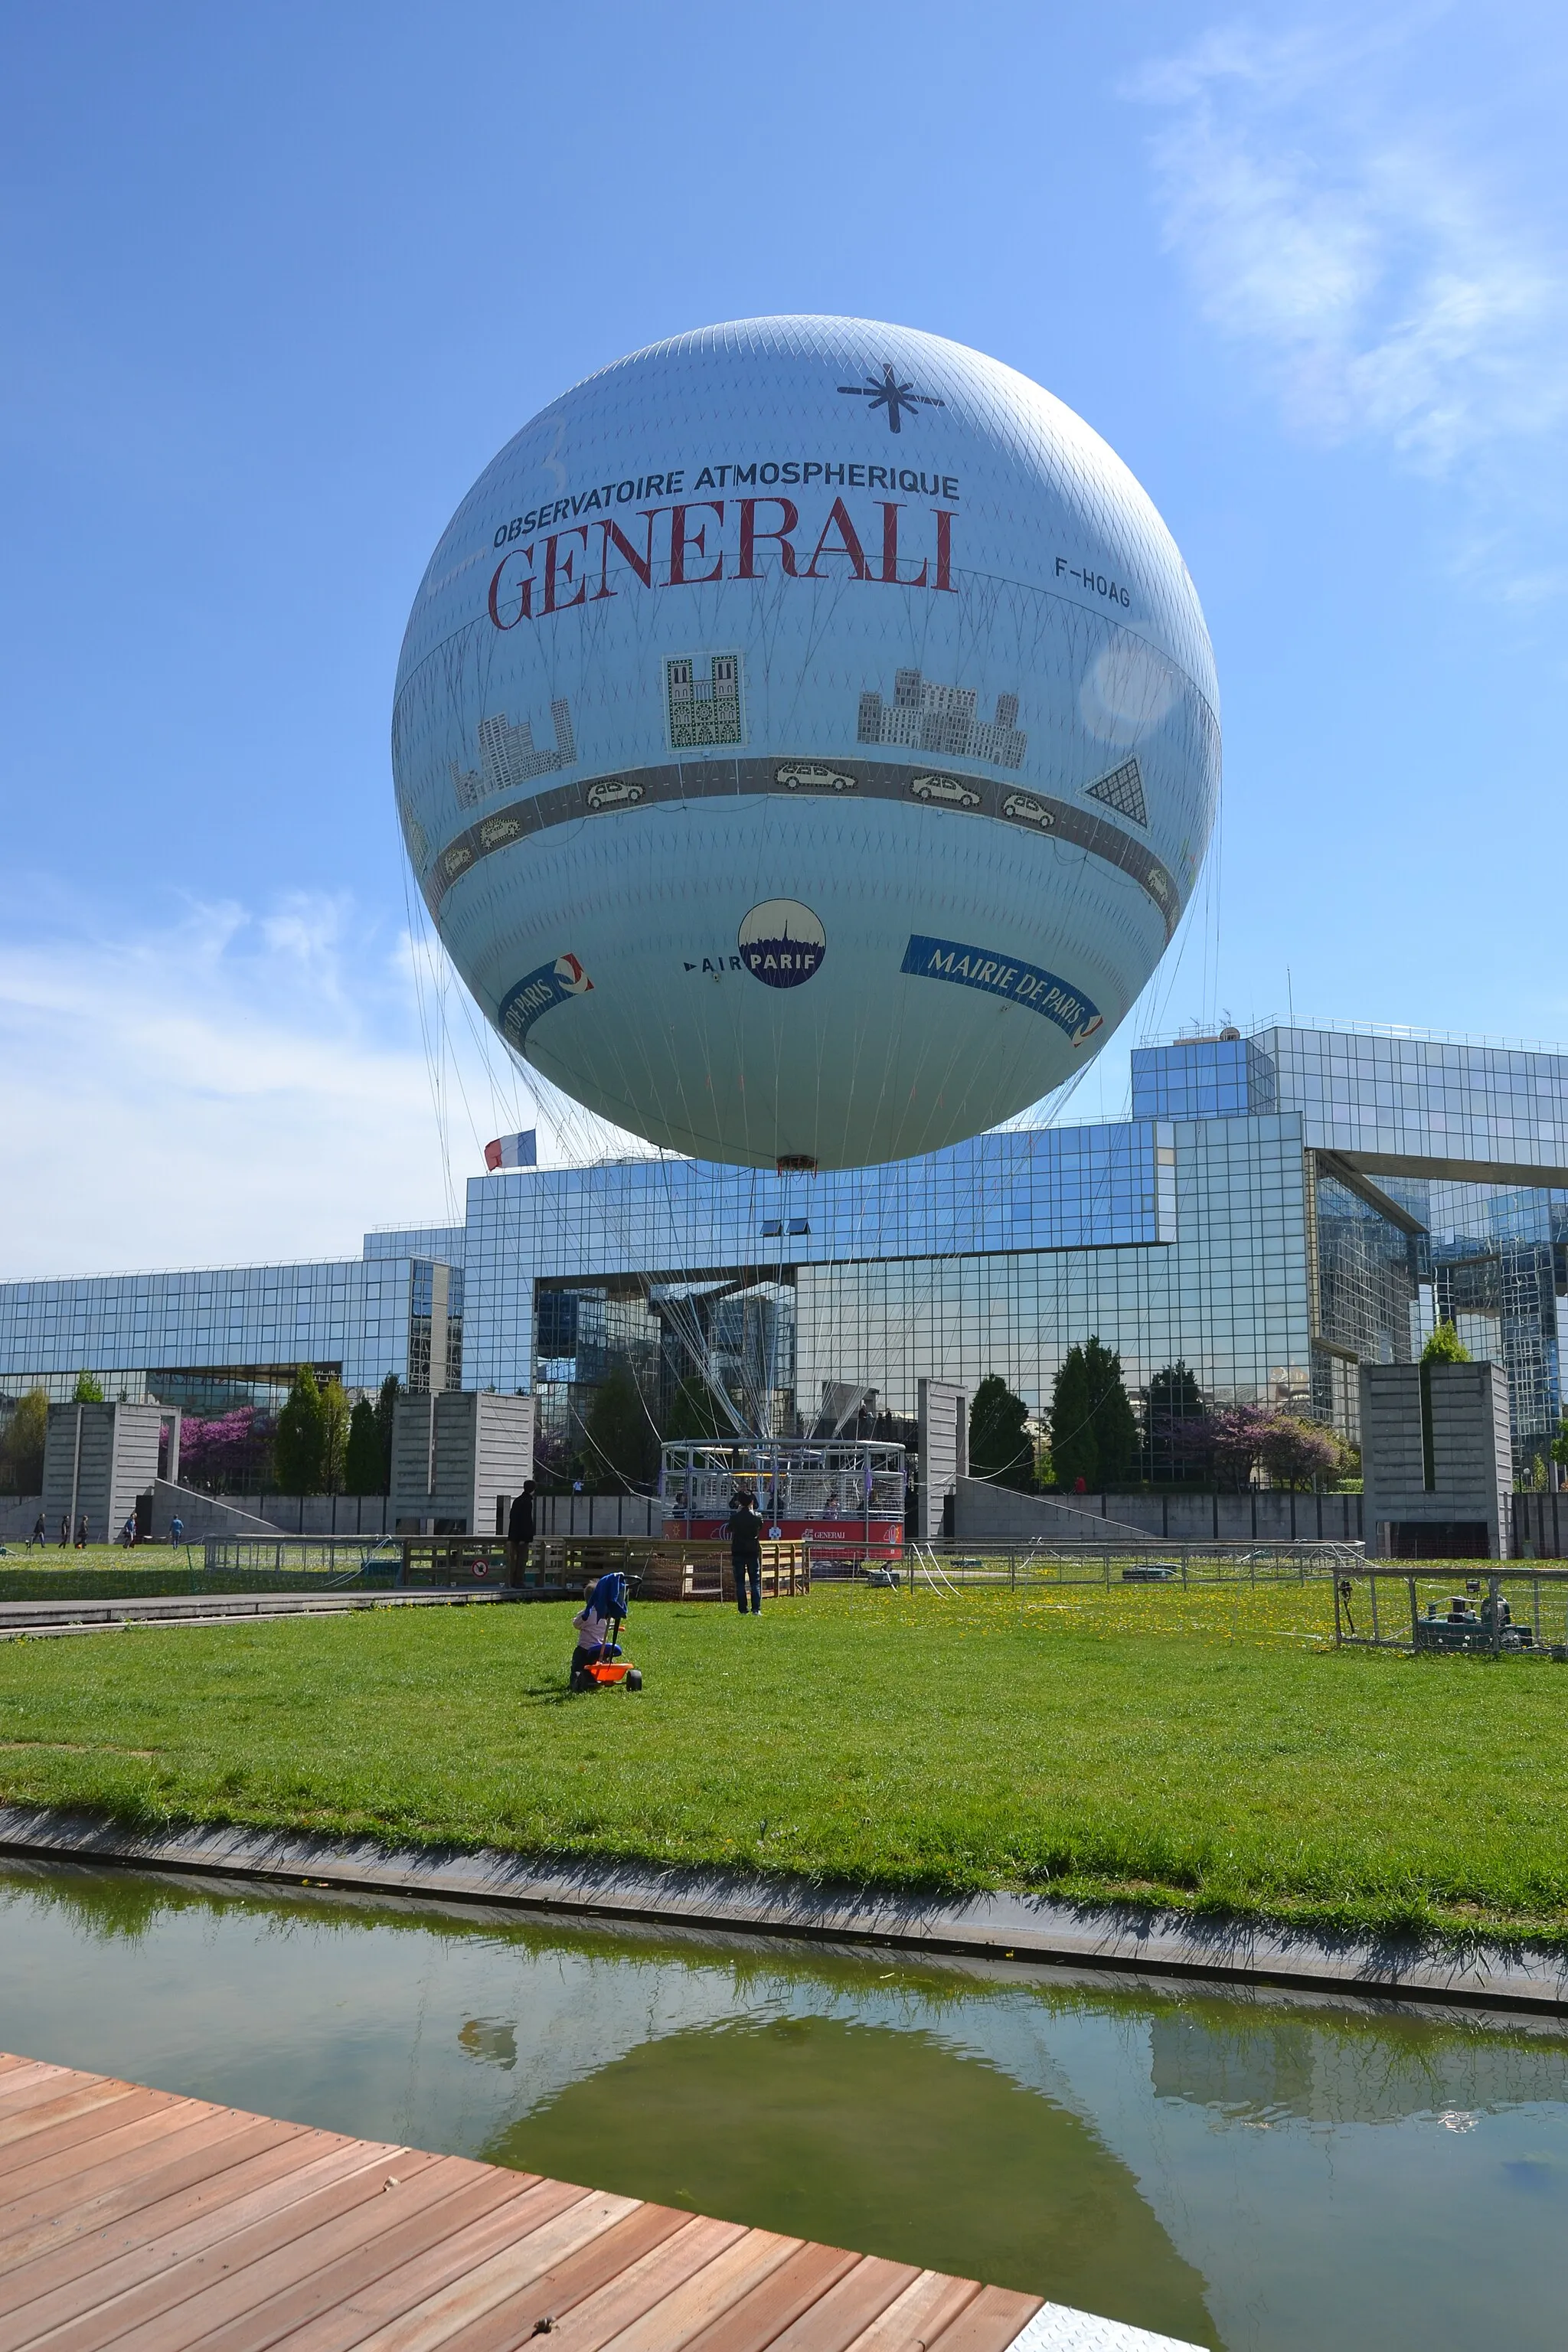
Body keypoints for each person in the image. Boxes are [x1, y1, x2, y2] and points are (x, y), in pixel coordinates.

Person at [570, 1575, 622, 1685]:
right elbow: (610, 1624)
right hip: (603, 1647)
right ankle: (604, 1673)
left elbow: (576, 1624)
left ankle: (577, 1677)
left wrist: (575, 1620)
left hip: (586, 1649)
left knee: (578, 1658)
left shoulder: (586, 1614)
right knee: (603, 1656)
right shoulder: (608, 1614)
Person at [727, 1490, 764, 1615]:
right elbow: (761, 1526)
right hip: (752, 1552)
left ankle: (743, 1609)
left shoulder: (735, 1517)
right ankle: (756, 1609)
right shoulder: (757, 1517)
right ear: (752, 1502)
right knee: (755, 1581)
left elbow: (729, 1528)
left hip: (738, 1551)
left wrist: (738, 1513)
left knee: (740, 1582)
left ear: (739, 1502)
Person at [506, 1480, 536, 1588]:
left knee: (513, 1560)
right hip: (522, 1538)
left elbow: (513, 1518)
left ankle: (511, 1581)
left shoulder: (517, 1501)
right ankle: (519, 1581)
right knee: (522, 1560)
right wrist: (525, 1538)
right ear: (533, 1489)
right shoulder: (527, 1502)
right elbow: (526, 1521)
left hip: (513, 1536)